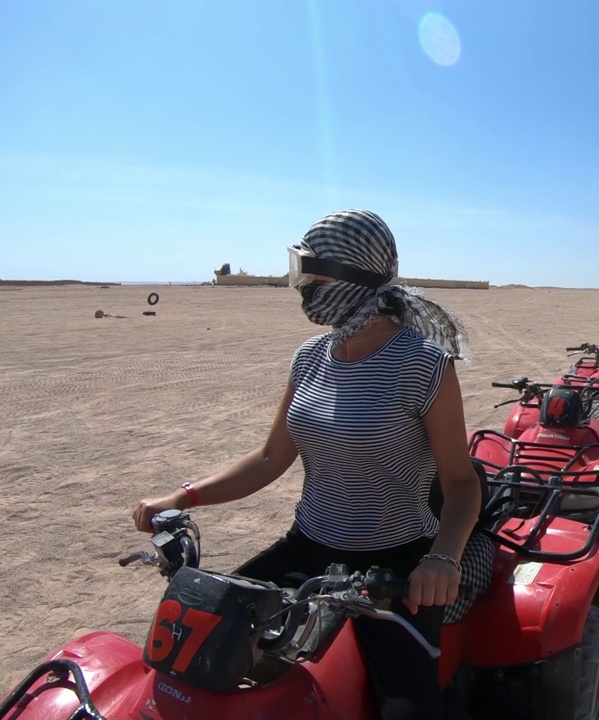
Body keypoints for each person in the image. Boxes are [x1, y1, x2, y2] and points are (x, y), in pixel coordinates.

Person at [131, 209, 491, 719]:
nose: (300, 286)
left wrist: (443, 558)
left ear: (353, 273)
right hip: (307, 548)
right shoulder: (310, 357)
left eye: (311, 273)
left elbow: (460, 484)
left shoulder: (423, 362)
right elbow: (268, 458)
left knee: (408, 710)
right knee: (203, 645)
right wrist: (182, 497)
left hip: (395, 568)